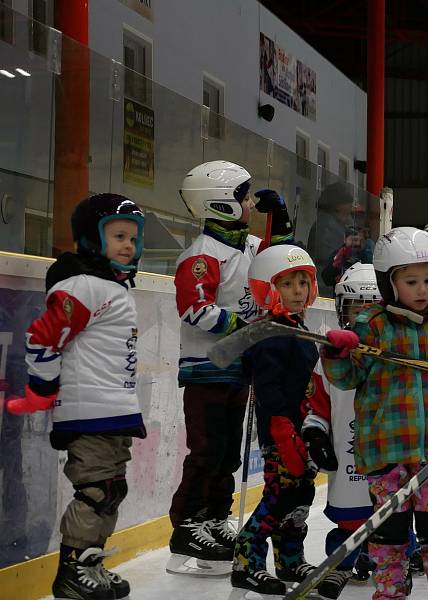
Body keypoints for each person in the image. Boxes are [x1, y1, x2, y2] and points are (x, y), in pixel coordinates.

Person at [321, 227, 428, 600]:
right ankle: (389, 594)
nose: (423, 289)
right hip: (387, 452)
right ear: (389, 283)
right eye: (412, 281)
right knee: (390, 535)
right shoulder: (371, 325)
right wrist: (338, 355)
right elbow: (347, 377)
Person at [6, 193, 146, 600]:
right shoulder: (83, 286)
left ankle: (90, 563)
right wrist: (42, 389)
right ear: (90, 238)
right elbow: (42, 337)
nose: (128, 246)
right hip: (90, 412)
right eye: (118, 235)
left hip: (114, 410)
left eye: (134, 239)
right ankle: (71, 570)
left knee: (111, 488)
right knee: (97, 489)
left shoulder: (111, 288)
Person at [167, 160, 261, 576]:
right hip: (207, 370)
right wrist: (241, 324)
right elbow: (194, 308)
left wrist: (286, 226)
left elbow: (282, 261)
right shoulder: (202, 255)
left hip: (239, 367)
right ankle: (186, 524)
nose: (251, 203)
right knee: (206, 450)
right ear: (221, 204)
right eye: (244, 197)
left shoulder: (249, 247)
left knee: (228, 452)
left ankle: (214, 518)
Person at [230, 244, 322, 598]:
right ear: (268, 288)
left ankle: (289, 558)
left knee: (301, 496)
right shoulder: (271, 332)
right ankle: (246, 560)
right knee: (280, 496)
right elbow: (267, 387)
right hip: (282, 433)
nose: (298, 291)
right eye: (287, 284)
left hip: (304, 430)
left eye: (302, 282)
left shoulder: (297, 327)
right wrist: (282, 431)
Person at [301, 262, 383, 598]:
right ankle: (341, 563)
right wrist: (315, 434)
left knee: (392, 513)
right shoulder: (329, 359)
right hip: (348, 454)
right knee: (350, 516)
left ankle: (391, 560)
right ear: (341, 308)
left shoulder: (393, 354)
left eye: (370, 308)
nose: (362, 316)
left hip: (386, 454)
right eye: (355, 307)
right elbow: (317, 406)